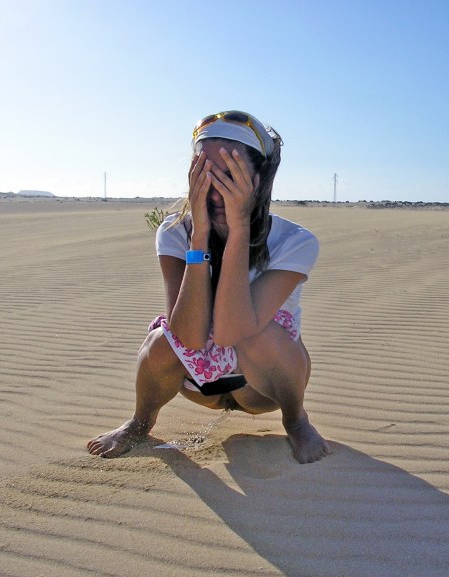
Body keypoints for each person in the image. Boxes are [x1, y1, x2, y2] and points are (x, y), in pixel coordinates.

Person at [87, 110, 331, 464]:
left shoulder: (294, 241)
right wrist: (198, 236)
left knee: (258, 332)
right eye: (204, 174)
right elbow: (185, 336)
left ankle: (296, 421)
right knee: (161, 338)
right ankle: (140, 422)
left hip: (262, 387)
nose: (215, 190)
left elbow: (233, 330)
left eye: (229, 175)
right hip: (196, 385)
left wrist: (239, 229)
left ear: (258, 179)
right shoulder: (176, 231)